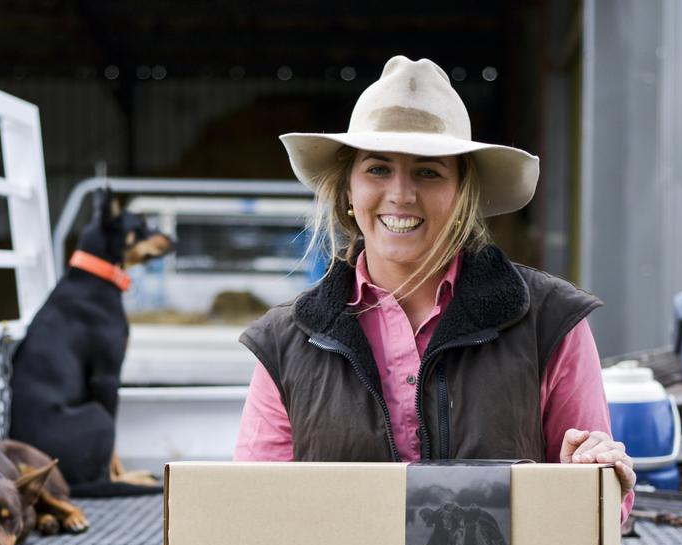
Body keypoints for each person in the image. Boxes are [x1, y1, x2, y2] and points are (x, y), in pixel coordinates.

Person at [233, 56, 636, 520]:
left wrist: (598, 473)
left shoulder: (550, 320)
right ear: (347, 189)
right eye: (378, 169)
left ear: (463, 194)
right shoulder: (285, 342)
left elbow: (604, 510)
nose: (401, 194)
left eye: (429, 172)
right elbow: (253, 510)